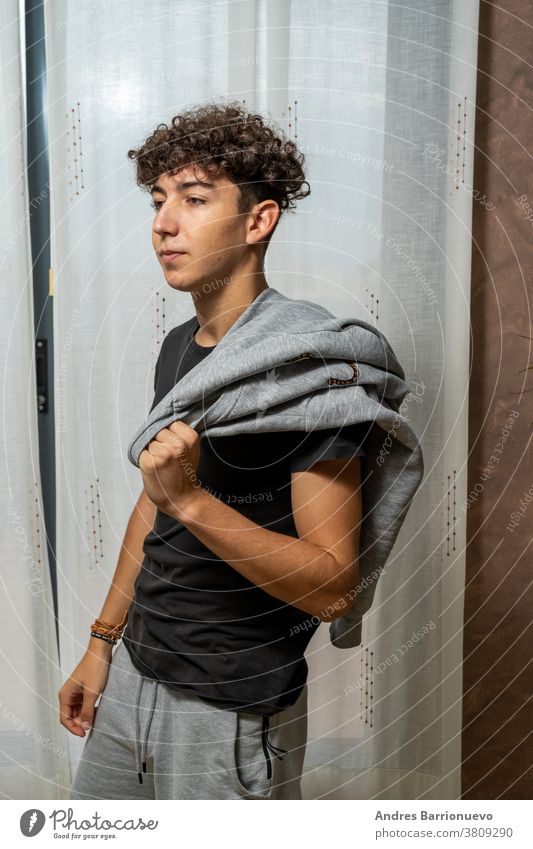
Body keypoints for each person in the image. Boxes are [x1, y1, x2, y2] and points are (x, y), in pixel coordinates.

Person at [59, 99, 366, 800]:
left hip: (228, 704)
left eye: (194, 199)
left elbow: (332, 584)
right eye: (158, 199)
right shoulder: (179, 347)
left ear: (258, 220)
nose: (163, 223)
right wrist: (101, 643)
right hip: (138, 669)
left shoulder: (305, 365)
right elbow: (153, 502)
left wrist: (193, 500)